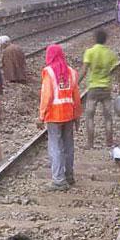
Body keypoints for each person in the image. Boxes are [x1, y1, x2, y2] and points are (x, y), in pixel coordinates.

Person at [38, 44, 80, 190]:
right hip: (68, 114)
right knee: (68, 145)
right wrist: (77, 116)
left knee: (55, 147)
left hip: (54, 115)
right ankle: (69, 175)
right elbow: (76, 97)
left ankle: (58, 180)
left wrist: (41, 115)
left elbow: (46, 96)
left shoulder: (48, 72)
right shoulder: (72, 72)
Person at [81, 28, 120, 150]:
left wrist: (75, 83)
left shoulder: (89, 52)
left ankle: (90, 143)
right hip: (106, 89)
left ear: (95, 39)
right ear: (105, 40)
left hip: (93, 90)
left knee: (89, 116)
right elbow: (118, 73)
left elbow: (84, 71)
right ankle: (109, 142)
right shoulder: (110, 53)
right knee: (108, 117)